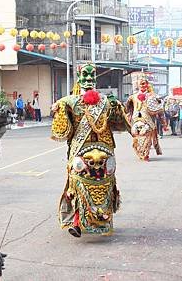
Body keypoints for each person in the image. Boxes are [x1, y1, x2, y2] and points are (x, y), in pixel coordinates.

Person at [51, 63, 130, 238]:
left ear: (95, 79)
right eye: (84, 76)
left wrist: (117, 108)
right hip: (80, 151)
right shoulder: (69, 102)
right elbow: (61, 132)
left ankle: (105, 219)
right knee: (78, 185)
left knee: (106, 184)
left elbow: (119, 125)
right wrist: (60, 111)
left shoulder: (106, 101)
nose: (88, 79)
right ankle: (77, 222)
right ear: (78, 78)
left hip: (105, 149)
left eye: (91, 76)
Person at [126, 75, 167, 161]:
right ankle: (140, 152)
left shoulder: (153, 96)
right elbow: (128, 110)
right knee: (136, 136)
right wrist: (126, 120)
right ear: (137, 84)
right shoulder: (133, 97)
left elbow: (160, 111)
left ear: (147, 84)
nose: (142, 84)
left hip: (148, 121)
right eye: (140, 82)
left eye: (144, 82)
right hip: (136, 120)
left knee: (147, 137)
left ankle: (145, 154)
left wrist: (164, 123)